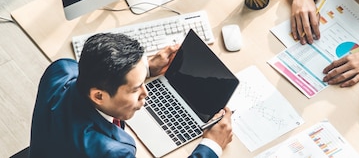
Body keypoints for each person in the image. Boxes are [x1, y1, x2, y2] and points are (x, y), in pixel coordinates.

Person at [30, 33, 233, 157]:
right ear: (99, 96)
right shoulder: (111, 152)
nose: (146, 93)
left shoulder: (61, 69)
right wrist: (211, 145)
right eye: (136, 89)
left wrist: (146, 69)